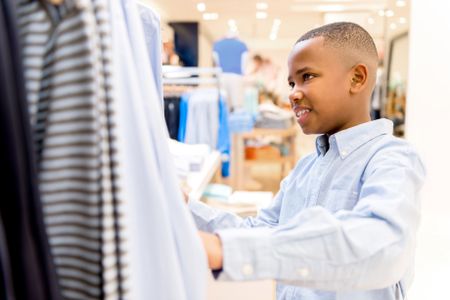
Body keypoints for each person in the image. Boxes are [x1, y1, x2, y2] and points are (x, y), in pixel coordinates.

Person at [191, 22, 425, 300]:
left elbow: (382, 246)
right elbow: (260, 229)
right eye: (291, 82)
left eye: (308, 77)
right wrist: (181, 206)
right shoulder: (306, 167)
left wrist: (226, 251)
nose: (293, 93)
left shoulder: (393, 158)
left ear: (357, 78)